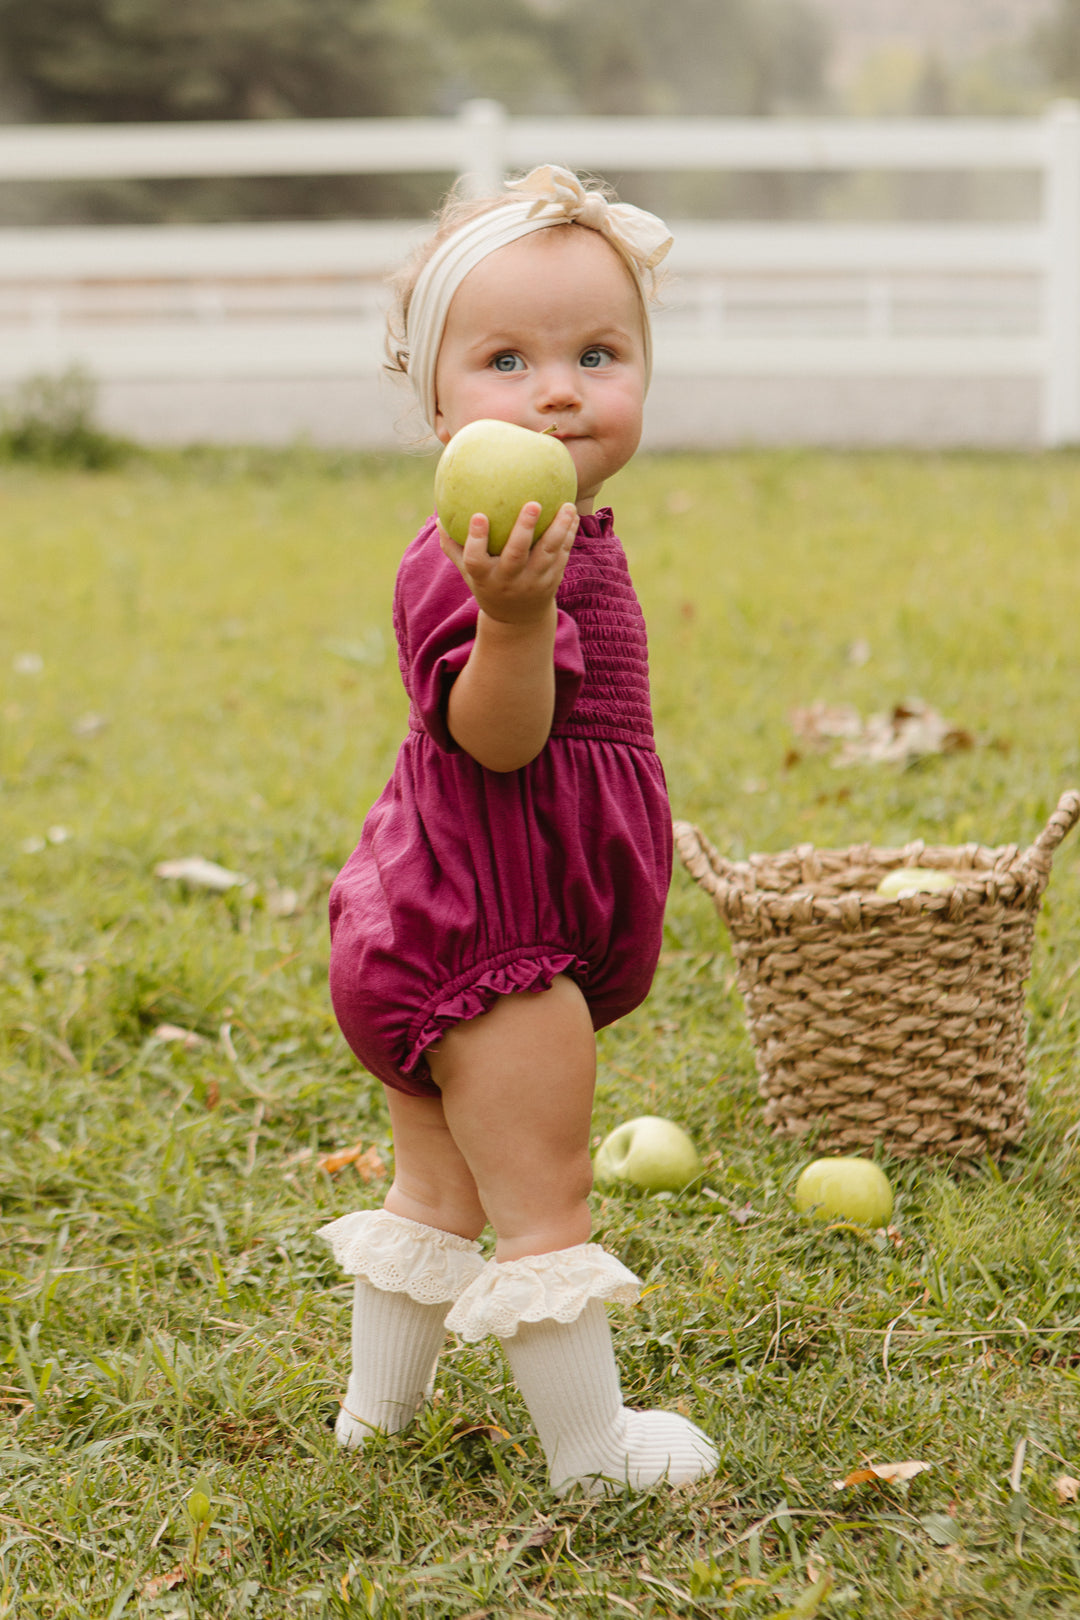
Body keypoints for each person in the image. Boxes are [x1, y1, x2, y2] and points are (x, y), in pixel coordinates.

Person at [317, 164, 718, 1497]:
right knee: (544, 1197)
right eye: (506, 360)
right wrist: (513, 619)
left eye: (598, 354)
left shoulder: (553, 532)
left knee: (436, 1184)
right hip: (489, 943)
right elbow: (498, 736)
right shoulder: (479, 558)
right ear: (434, 404)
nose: (558, 390)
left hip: (429, 921)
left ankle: (377, 1416)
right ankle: (595, 1455)